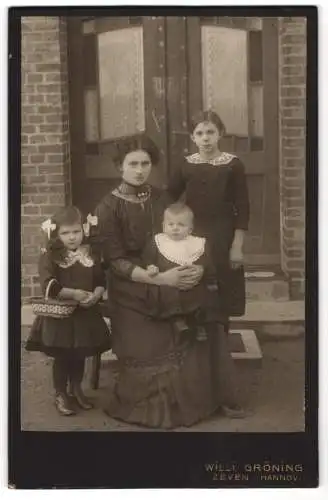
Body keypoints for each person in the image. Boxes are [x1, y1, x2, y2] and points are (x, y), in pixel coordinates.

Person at [94, 135, 244, 430]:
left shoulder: (162, 198)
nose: (139, 170)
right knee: (159, 336)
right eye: (133, 164)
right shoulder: (107, 207)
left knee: (208, 311)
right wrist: (160, 279)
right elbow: (115, 261)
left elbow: (186, 236)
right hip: (132, 285)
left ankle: (214, 394)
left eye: (145, 164)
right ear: (119, 167)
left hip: (175, 274)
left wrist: (197, 269)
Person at [167, 110, 250, 330]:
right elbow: (169, 198)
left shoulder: (233, 165)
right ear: (192, 137)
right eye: (200, 133)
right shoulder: (186, 165)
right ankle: (197, 339)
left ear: (220, 134)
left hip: (223, 235)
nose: (205, 138)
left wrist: (237, 246)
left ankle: (220, 340)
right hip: (193, 235)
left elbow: (243, 207)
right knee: (196, 284)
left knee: (222, 285)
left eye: (210, 132)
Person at [25, 206, 112, 417]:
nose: (72, 237)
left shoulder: (90, 254)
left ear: (84, 230)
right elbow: (49, 285)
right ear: (56, 234)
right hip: (61, 316)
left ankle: (76, 388)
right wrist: (74, 294)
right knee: (63, 356)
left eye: (76, 232)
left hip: (85, 314)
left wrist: (96, 294)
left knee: (80, 353)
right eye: (65, 233)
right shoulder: (50, 256)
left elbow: (100, 279)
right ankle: (60, 393)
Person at [142, 202, 222, 342]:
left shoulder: (197, 244)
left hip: (193, 283)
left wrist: (201, 269)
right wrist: (151, 267)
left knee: (202, 296)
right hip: (168, 284)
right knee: (169, 297)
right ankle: (178, 323)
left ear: (190, 229)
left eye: (181, 225)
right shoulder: (158, 242)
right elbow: (148, 258)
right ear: (163, 226)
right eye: (171, 224)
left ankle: (198, 325)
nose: (175, 229)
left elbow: (207, 263)